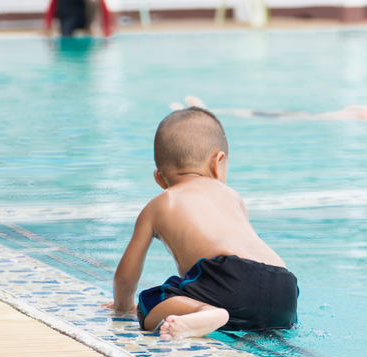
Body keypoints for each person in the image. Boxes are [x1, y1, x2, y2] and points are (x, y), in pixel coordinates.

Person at [102, 106, 299, 340]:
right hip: (284, 287)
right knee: (251, 311)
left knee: (148, 303)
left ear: (159, 178)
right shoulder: (232, 196)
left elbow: (125, 278)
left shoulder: (159, 204)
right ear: (218, 162)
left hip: (230, 282)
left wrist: (123, 308)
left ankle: (205, 312)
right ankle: (255, 329)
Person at [169, 96, 367, 122]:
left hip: (300, 119)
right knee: (248, 110)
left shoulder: (360, 115)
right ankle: (201, 109)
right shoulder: (355, 113)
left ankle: (198, 110)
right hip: (301, 117)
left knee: (247, 112)